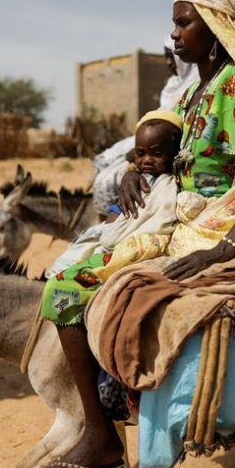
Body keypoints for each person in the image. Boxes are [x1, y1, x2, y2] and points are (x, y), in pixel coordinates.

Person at [44, 0, 235, 468]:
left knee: (66, 289)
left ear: (220, 26)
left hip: (211, 230)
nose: (174, 34)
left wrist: (227, 249)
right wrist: (136, 170)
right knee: (72, 264)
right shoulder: (200, 91)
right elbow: (172, 151)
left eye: (183, 23)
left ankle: (103, 436)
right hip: (178, 220)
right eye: (173, 24)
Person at [43, 111, 182, 322]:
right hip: (111, 239)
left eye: (156, 153)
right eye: (141, 153)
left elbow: (159, 219)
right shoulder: (135, 181)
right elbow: (116, 212)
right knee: (67, 262)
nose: (147, 160)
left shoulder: (169, 186)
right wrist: (113, 221)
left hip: (132, 249)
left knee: (63, 288)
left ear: (174, 153)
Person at [91, 38, 200, 217]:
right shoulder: (173, 85)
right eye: (166, 57)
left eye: (172, 57)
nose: (168, 62)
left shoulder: (195, 84)